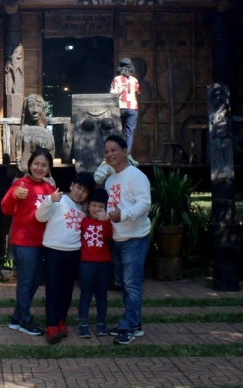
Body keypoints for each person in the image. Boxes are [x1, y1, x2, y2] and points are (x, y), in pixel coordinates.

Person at [0, 147, 58, 336]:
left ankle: (17, 318)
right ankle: (25, 319)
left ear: (49, 168)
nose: (39, 168)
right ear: (30, 165)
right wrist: (15, 196)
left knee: (33, 281)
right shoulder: (21, 184)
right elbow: (5, 208)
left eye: (44, 165)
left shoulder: (50, 188)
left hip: (44, 242)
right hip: (24, 241)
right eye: (36, 164)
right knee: (25, 280)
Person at [35, 172, 95, 344]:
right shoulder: (59, 200)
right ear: (71, 185)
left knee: (67, 289)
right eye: (78, 187)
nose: (80, 192)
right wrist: (49, 200)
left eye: (85, 191)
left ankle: (61, 320)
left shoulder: (84, 210)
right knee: (53, 288)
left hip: (73, 252)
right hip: (52, 251)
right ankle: (51, 325)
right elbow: (40, 216)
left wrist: (89, 213)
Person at [103, 135, 152, 345]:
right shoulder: (110, 180)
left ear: (125, 151)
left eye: (113, 150)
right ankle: (134, 323)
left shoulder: (136, 176)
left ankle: (129, 325)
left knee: (131, 284)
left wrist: (123, 215)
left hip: (135, 238)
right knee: (123, 283)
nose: (109, 154)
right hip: (117, 238)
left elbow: (144, 205)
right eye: (106, 152)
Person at [77, 188, 113, 338]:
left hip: (104, 263)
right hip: (86, 263)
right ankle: (83, 324)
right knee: (85, 294)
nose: (97, 209)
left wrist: (105, 221)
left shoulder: (107, 222)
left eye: (100, 206)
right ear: (88, 206)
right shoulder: (83, 221)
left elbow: (109, 236)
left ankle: (101, 323)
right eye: (94, 206)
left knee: (101, 295)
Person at [111, 58, 140, 160]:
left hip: (120, 107)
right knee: (129, 133)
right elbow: (137, 92)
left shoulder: (116, 80)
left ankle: (117, 154)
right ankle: (126, 155)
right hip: (132, 108)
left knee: (118, 132)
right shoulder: (135, 80)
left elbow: (113, 94)